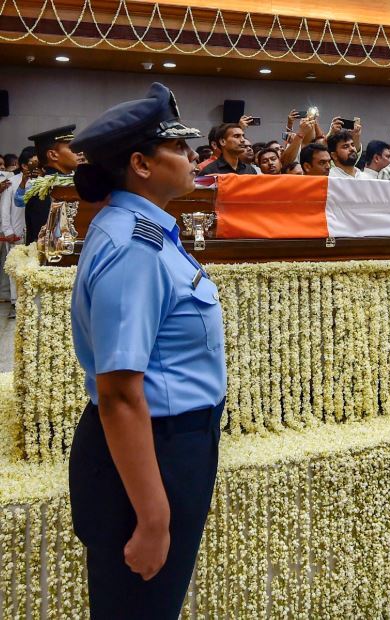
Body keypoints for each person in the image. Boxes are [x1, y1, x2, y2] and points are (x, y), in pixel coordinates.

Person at [66, 82, 226, 620]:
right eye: (178, 149)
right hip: (150, 451)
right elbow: (118, 394)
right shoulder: (134, 246)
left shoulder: (148, 233)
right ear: (140, 163)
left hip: (170, 443)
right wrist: (153, 516)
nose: (192, 157)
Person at [24, 125, 79, 244]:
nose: (79, 152)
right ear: (53, 155)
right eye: (72, 148)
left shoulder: (72, 184)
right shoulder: (44, 191)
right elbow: (44, 241)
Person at [0, 146, 38, 318]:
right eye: (33, 162)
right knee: (15, 268)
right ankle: (16, 303)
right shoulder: (13, 182)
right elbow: (5, 209)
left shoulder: (40, 181)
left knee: (32, 267)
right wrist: (7, 230)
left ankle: (31, 302)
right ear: (24, 165)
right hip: (16, 232)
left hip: (34, 232)